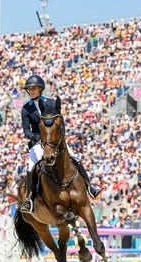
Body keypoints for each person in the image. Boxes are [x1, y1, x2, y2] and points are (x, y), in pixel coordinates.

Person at [19, 75, 101, 213]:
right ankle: (29, 199)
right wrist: (37, 137)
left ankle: (89, 187)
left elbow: (60, 122)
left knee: (75, 158)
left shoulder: (51, 103)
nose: (31, 91)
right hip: (38, 143)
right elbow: (26, 130)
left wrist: (55, 138)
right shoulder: (26, 109)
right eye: (29, 89)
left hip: (55, 142)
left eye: (33, 88)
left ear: (40, 89)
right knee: (31, 166)